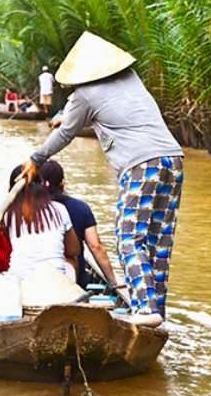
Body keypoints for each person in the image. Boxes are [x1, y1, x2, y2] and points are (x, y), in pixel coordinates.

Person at [23, 32, 183, 326]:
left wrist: (36, 159)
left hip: (141, 164)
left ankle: (146, 311)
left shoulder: (83, 95)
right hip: (173, 159)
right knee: (158, 241)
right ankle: (158, 310)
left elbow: (65, 134)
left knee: (128, 238)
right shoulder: (131, 77)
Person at [40, 160, 119, 289]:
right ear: (62, 183)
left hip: (36, 275)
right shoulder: (80, 208)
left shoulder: (29, 209)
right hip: (74, 279)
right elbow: (95, 246)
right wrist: (113, 281)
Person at [3, 165, 81, 280]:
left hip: (20, 278)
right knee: (72, 260)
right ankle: (71, 289)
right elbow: (74, 250)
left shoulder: (7, 214)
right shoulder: (60, 209)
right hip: (55, 279)